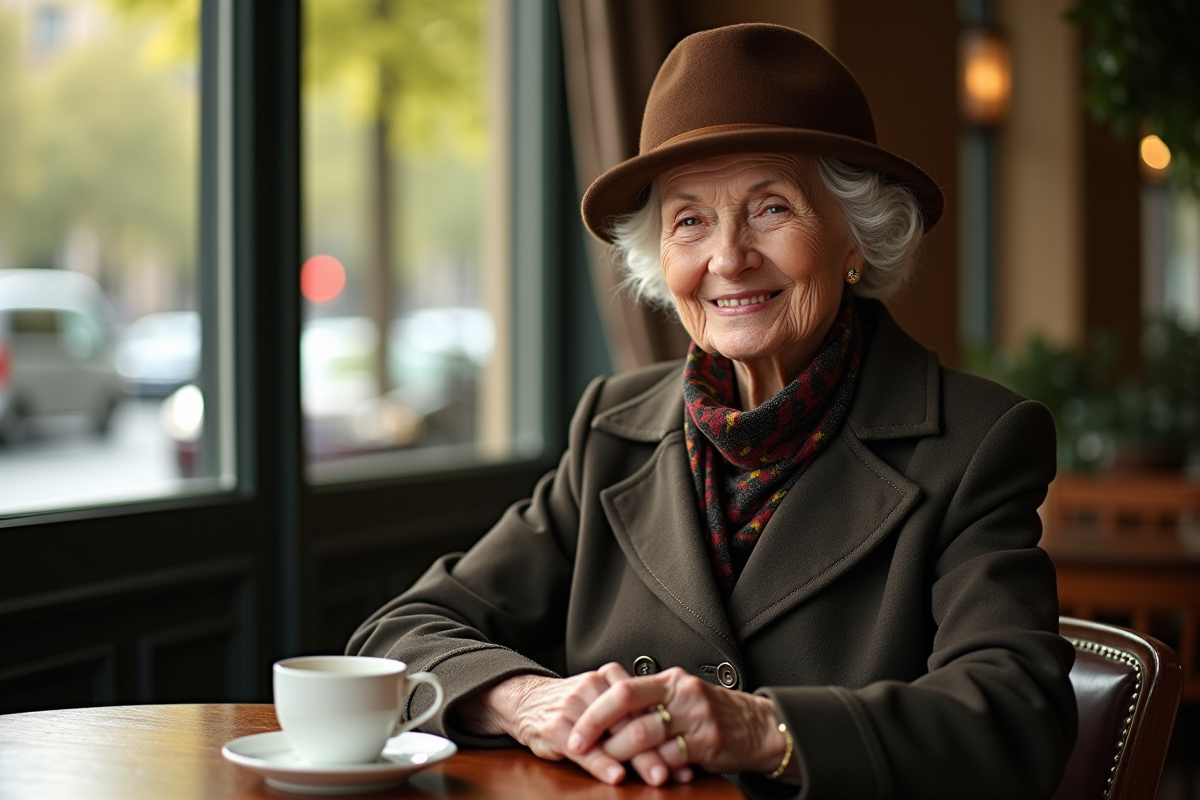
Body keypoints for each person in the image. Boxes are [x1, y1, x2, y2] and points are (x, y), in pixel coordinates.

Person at [349, 23, 1076, 799]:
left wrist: (763, 730)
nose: (727, 257)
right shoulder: (612, 426)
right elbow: (402, 633)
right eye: (689, 220)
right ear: (660, 259)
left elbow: (1016, 714)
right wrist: (532, 702)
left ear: (854, 237)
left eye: (771, 209)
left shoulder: (975, 441)